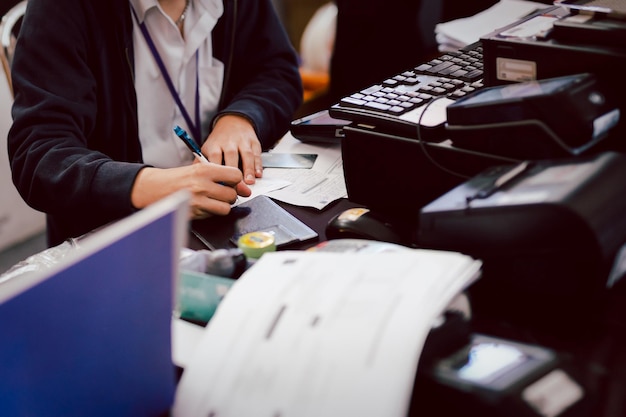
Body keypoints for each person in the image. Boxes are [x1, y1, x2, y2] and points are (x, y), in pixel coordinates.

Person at [8, 0, 303, 247]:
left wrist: (241, 118)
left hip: (224, 216)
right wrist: (146, 186)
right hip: (116, 236)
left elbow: (277, 71)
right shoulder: (64, 8)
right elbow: (39, 157)